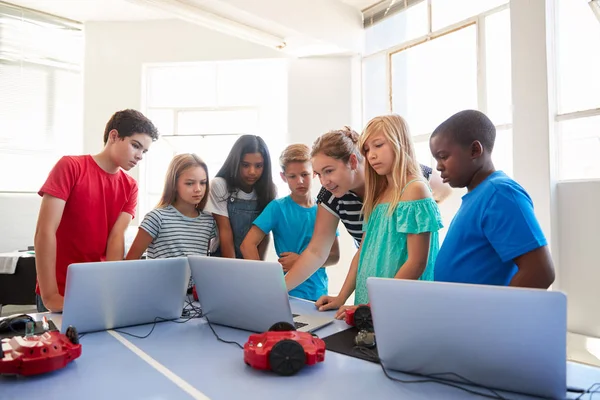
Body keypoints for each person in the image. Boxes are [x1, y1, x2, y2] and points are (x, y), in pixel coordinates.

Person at [284, 126, 451, 296]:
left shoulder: (400, 175)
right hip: (374, 269)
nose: (324, 182)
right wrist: (279, 289)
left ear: (353, 162)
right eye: (318, 174)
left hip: (409, 277)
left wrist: (412, 215)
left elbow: (445, 190)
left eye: (329, 171)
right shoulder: (330, 194)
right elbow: (317, 251)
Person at [316, 115, 443, 317]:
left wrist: (373, 305)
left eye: (378, 145)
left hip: (399, 307)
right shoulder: (379, 194)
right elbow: (363, 252)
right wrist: (341, 297)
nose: (372, 155)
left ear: (399, 143)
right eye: (367, 150)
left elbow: (417, 263)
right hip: (371, 306)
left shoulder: (415, 189)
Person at [34, 109, 159, 312]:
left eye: (144, 151)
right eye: (135, 146)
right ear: (114, 136)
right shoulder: (71, 167)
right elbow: (45, 231)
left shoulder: (130, 186)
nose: (140, 156)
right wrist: (50, 296)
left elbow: (116, 238)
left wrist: (112, 291)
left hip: (97, 291)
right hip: (58, 290)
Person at [430, 109, 555, 288]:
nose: (439, 167)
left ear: (475, 150)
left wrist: (497, 314)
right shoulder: (478, 195)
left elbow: (540, 272)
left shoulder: (500, 193)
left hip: (485, 316)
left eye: (443, 156)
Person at [240, 144, 340, 301]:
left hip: (319, 294)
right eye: (292, 176)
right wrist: (262, 280)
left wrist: (300, 261)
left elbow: (334, 256)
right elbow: (247, 245)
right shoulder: (277, 208)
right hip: (287, 293)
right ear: (283, 177)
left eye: (304, 174)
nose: (299, 181)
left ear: (314, 172)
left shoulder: (325, 210)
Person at [125, 154, 216, 274]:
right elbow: (130, 263)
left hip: (197, 291)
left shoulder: (209, 221)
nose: (198, 189)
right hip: (161, 290)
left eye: (203, 183)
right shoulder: (156, 218)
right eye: (189, 183)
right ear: (174, 184)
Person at [205, 135, 276, 259]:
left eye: (258, 166)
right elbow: (225, 231)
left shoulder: (270, 190)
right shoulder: (219, 185)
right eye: (245, 165)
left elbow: (264, 235)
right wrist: (234, 270)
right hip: (223, 259)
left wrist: (258, 269)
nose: (252, 172)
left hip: (251, 260)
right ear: (235, 163)